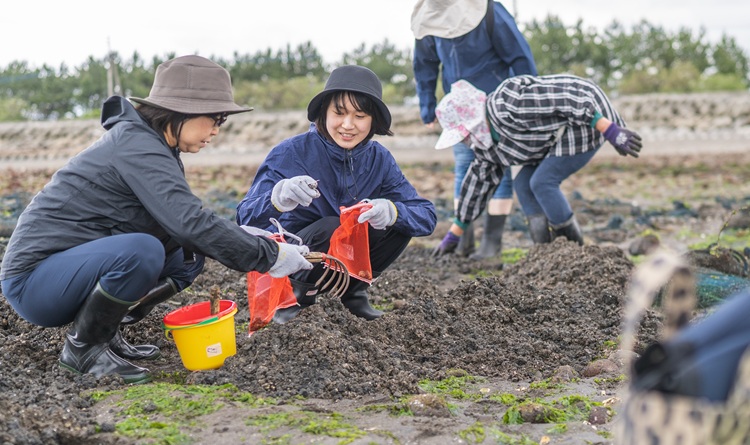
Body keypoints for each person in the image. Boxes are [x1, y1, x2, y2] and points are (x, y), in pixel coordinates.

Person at [0, 55, 313, 384]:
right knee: (143, 251)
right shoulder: (138, 146)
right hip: (34, 282)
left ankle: (104, 331)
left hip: (68, 270)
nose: (216, 131)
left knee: (187, 258)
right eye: (214, 119)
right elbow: (190, 222)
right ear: (183, 111)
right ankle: (84, 349)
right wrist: (270, 256)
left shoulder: (156, 147)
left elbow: (186, 223)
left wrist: (245, 237)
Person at [236, 65, 436, 323]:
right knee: (331, 226)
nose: (348, 125)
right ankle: (296, 299)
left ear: (373, 120)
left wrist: (392, 212)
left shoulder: (379, 159)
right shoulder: (290, 152)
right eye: (339, 113)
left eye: (360, 115)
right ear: (324, 112)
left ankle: (353, 294)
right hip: (293, 259)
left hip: (342, 263)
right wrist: (276, 198)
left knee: (398, 223)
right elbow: (244, 219)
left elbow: (426, 216)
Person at [431, 75, 642, 255]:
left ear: (474, 120)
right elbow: (477, 185)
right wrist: (455, 232)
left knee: (542, 182)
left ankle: (575, 254)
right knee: (522, 184)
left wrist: (610, 129)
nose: (466, 141)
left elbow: (568, 98)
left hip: (586, 115)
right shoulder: (487, 149)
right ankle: (544, 254)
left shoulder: (508, 103)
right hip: (556, 133)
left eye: (464, 135)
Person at [411, 0, 537, 260]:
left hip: (495, 106)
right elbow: (424, 65)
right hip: (458, 109)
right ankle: (463, 241)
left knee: (498, 170)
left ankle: (491, 244)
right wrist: (427, 106)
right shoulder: (430, 17)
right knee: (464, 168)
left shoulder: (490, 10)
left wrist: (528, 98)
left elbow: (519, 56)